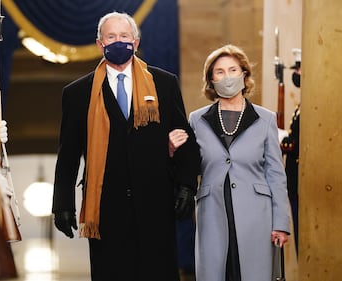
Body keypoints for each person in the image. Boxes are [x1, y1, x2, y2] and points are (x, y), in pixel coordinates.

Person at [51, 12, 200, 281]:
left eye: (124, 36)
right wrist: (62, 204)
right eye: (111, 37)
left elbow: (184, 138)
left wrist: (187, 186)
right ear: (99, 43)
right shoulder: (77, 93)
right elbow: (68, 154)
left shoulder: (164, 84)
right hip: (106, 208)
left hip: (155, 203)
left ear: (136, 40)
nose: (118, 42)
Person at [188, 44, 290, 281]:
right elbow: (189, 167)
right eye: (219, 72)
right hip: (212, 212)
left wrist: (281, 223)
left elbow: (276, 174)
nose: (227, 77)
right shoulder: (197, 119)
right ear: (211, 80)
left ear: (244, 75)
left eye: (233, 70)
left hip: (257, 217)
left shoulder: (266, 119)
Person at [280, 48, 301, 256]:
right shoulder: (302, 106)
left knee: (303, 242)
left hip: (303, 183)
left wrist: (290, 142)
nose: (297, 73)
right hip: (294, 182)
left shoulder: (313, 105)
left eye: (300, 69)